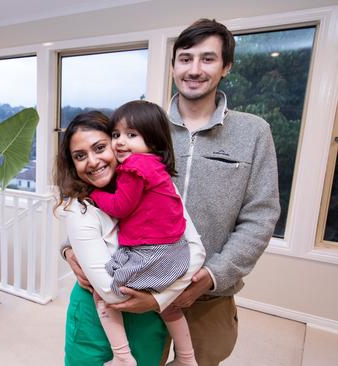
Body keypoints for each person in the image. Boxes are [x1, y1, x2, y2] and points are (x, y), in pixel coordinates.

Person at [63, 18, 280, 366]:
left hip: (208, 295)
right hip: (140, 289)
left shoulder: (253, 132)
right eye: (185, 58)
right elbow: (95, 188)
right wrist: (71, 249)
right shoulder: (141, 129)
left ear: (226, 66)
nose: (194, 69)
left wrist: (210, 276)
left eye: (208, 59)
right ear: (173, 65)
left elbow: (261, 217)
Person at [56, 111, 205, 365]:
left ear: (117, 147)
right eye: (80, 156)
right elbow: (109, 292)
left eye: (100, 147)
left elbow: (196, 251)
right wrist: (164, 291)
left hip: (149, 316)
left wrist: (157, 300)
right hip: (97, 320)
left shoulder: (156, 183)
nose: (92, 162)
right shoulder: (79, 209)